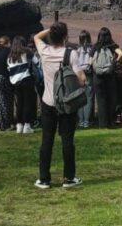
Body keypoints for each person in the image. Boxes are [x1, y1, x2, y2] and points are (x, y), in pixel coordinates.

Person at [34, 22, 85, 189]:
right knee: (67, 140)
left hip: (48, 101)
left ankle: (44, 179)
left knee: (46, 140)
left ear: (51, 36)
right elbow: (81, 79)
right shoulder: (71, 54)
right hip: (66, 103)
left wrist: (52, 29)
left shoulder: (44, 51)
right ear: (65, 37)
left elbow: (36, 37)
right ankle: (68, 178)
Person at [91, 28, 122, 129]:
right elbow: (121, 54)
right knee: (110, 100)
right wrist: (114, 62)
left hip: (98, 77)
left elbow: (90, 62)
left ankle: (102, 124)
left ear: (99, 36)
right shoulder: (112, 46)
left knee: (101, 101)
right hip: (110, 77)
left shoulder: (95, 47)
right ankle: (110, 123)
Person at [8, 36, 36, 134]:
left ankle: (19, 125)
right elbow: (36, 62)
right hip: (26, 79)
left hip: (15, 81)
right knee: (28, 103)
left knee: (19, 103)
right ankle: (27, 125)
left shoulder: (10, 56)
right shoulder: (28, 52)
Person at [75, 30, 95, 128]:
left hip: (79, 74)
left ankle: (81, 121)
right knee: (88, 98)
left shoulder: (77, 50)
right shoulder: (92, 49)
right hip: (88, 74)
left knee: (80, 97)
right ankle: (86, 121)